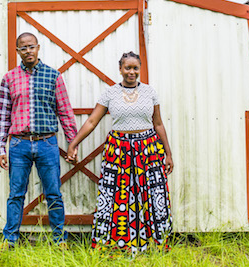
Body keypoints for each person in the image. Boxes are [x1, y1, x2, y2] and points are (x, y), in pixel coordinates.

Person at [66, 51, 173, 252]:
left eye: (135, 68)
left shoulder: (150, 92)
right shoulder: (110, 93)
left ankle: (152, 243)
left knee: (149, 194)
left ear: (139, 69)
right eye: (127, 68)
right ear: (120, 69)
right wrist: (74, 143)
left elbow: (158, 124)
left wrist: (168, 153)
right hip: (119, 151)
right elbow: (91, 121)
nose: (131, 72)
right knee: (118, 196)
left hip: (148, 151)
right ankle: (117, 243)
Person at [0, 32, 77, 247]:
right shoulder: (9, 78)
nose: (28, 51)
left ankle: (59, 240)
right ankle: (9, 239)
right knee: (16, 194)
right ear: (17, 51)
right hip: (19, 145)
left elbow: (65, 112)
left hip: (46, 143)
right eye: (23, 48)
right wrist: (0, 148)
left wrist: (72, 143)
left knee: (54, 193)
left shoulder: (53, 76)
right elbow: (2, 115)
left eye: (31, 46)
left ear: (38, 48)